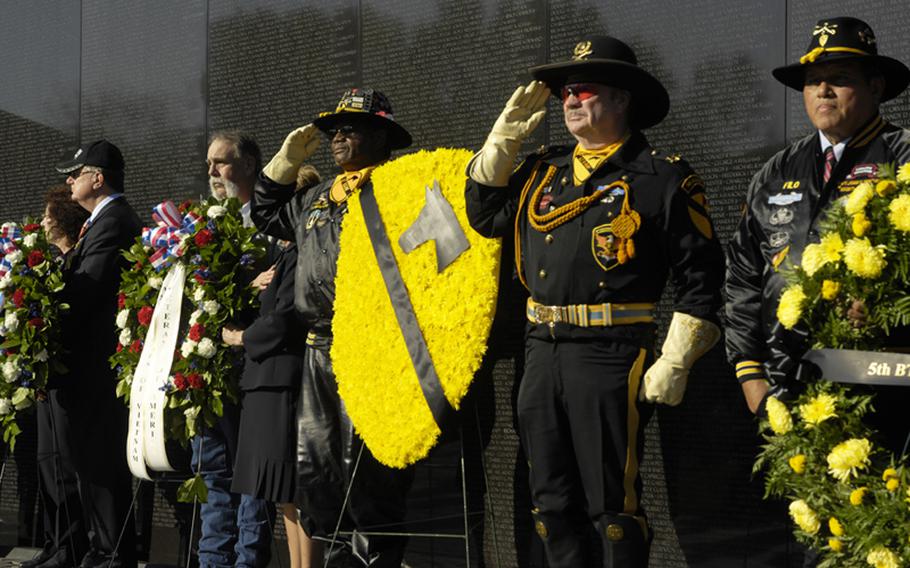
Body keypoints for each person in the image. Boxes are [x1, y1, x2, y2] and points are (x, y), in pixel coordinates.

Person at [464, 36, 724, 567]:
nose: (570, 100)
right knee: (550, 504)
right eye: (565, 92)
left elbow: (702, 277)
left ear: (622, 99)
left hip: (611, 353)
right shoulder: (541, 171)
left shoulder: (662, 177)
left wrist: (676, 358)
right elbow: (482, 215)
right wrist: (503, 139)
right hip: (542, 351)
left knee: (613, 507)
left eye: (585, 90)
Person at [251, 88, 415, 567]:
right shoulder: (317, 196)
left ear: (381, 135)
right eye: (333, 131)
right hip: (319, 349)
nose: (338, 137)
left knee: (371, 476)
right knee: (318, 474)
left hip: (376, 348)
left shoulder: (402, 184)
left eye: (350, 128)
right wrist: (285, 161)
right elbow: (266, 212)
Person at [726, 16, 910, 426]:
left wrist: (884, 310)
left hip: (885, 391)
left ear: (875, 87)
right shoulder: (776, 169)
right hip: (785, 392)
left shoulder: (903, 158)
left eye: (839, 78)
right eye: (813, 81)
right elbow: (742, 276)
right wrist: (751, 379)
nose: (822, 90)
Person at [33, 139, 142, 568]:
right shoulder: (98, 221)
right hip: (83, 366)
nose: (69, 180)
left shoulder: (113, 220)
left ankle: (111, 554)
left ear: (97, 178)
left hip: (97, 365)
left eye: (75, 174)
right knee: (86, 462)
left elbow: (88, 288)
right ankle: (95, 550)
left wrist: (41, 305)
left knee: (100, 463)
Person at [223, 165, 322, 568]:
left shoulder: (302, 250)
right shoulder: (285, 251)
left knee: (297, 491)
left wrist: (238, 338)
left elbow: (284, 318)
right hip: (269, 381)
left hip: (284, 380)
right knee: (285, 495)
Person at [191, 130, 275, 568]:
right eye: (208, 163)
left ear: (247, 165)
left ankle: (245, 563)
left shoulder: (270, 218)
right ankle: (212, 562)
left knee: (249, 477)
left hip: (251, 363)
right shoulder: (204, 222)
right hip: (209, 368)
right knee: (213, 471)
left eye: (220, 162)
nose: (211, 172)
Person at [25, 186, 91, 568]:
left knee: (65, 467)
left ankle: (71, 547)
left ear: (65, 218)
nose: (45, 220)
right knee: (47, 462)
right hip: (47, 382)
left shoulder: (77, 262)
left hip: (70, 381)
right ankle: (54, 543)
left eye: (50, 214)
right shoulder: (53, 266)